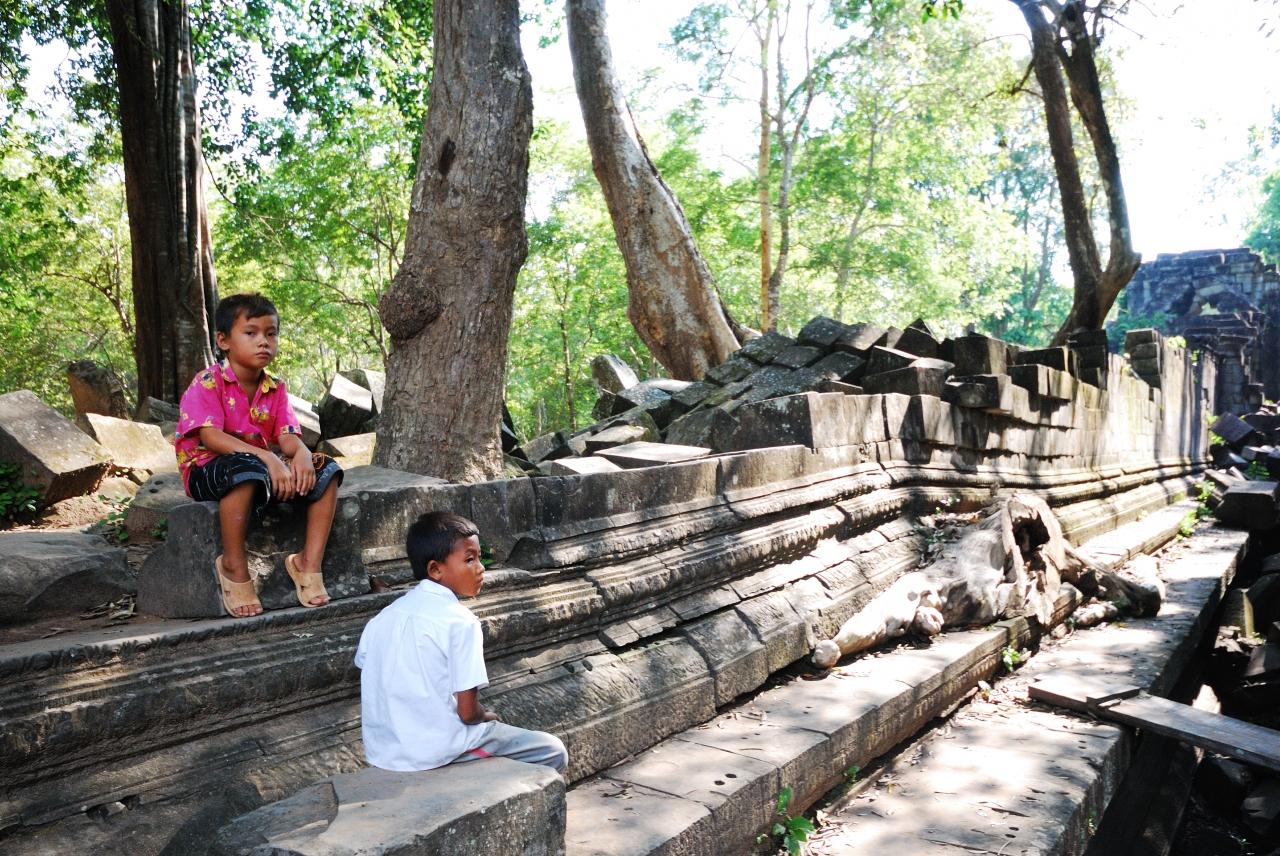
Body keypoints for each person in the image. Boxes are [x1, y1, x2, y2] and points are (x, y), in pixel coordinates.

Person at [354, 511, 568, 773]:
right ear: (435, 569)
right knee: (552, 751)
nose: (481, 568)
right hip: (435, 751)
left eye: (479, 558)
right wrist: (484, 716)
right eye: (469, 559)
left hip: (382, 752)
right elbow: (467, 713)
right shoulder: (460, 621)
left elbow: (369, 671)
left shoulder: (381, 619)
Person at [174, 293, 343, 618]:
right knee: (247, 468)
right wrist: (270, 459)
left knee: (327, 468)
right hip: (207, 470)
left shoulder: (275, 388)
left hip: (260, 470)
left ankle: (308, 564)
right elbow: (210, 436)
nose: (263, 341)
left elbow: (287, 436)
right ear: (223, 340)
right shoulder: (208, 382)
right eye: (251, 333)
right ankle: (234, 566)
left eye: (271, 333)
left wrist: (302, 454)